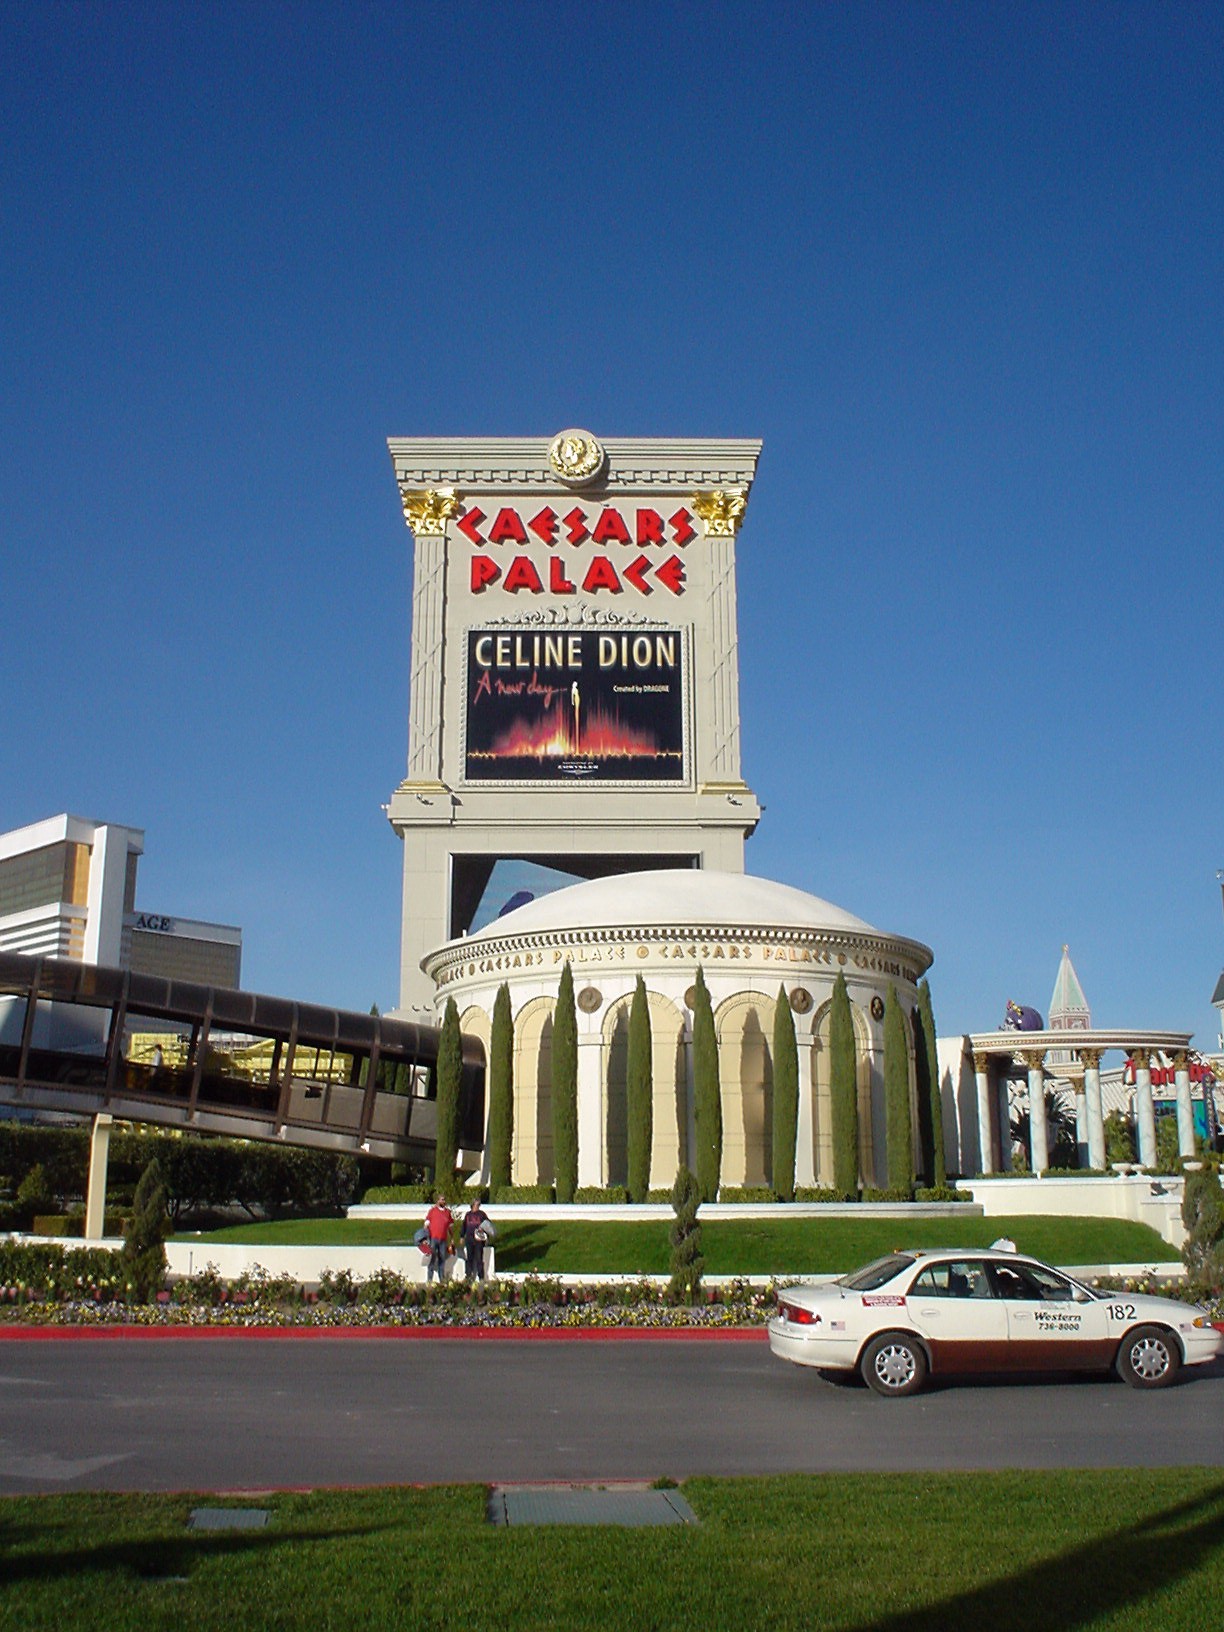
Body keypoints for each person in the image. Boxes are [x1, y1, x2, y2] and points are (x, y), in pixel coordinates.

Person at [461, 1198, 493, 1282]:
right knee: (469, 1258)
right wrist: (462, 1236)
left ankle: (481, 1277)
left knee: (479, 1259)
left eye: (479, 1205)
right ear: (472, 1205)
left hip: (479, 1240)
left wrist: (485, 1235)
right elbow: (464, 1226)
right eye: (476, 1204)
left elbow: (488, 1225)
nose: (478, 1206)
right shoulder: (468, 1215)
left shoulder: (482, 1215)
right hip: (469, 1239)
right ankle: (468, 1276)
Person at [424, 1194, 452, 1284]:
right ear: (438, 1201)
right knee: (432, 1258)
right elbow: (426, 1224)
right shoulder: (432, 1211)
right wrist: (425, 1237)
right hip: (433, 1238)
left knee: (442, 1259)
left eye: (444, 1200)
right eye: (441, 1200)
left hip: (443, 1239)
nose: (443, 1201)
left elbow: (450, 1226)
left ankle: (441, 1280)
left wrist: (452, 1238)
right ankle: (429, 1279)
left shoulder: (447, 1212)